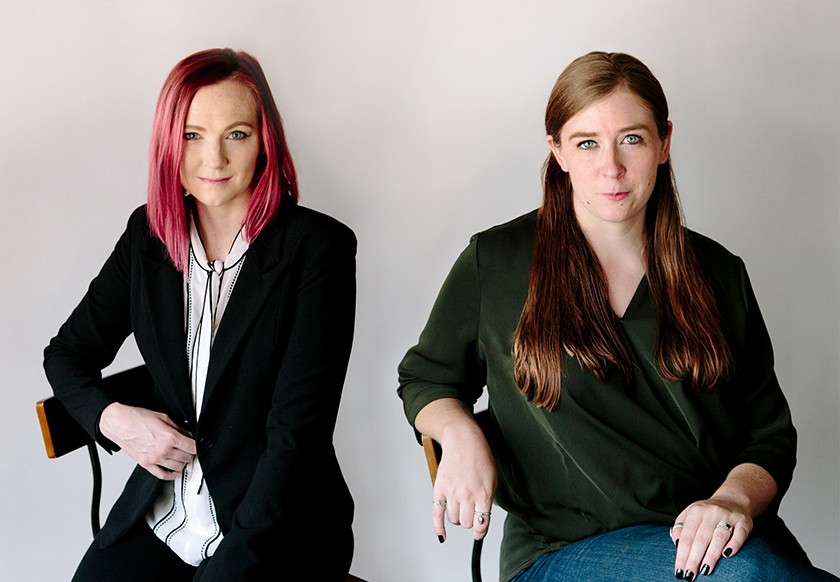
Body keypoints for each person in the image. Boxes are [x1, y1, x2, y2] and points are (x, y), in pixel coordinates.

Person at [398, 51, 837, 582]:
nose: (612, 166)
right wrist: (461, 433)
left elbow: (767, 437)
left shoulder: (719, 273)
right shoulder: (495, 263)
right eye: (587, 143)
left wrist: (732, 501)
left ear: (664, 143)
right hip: (563, 549)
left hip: (712, 541)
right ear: (556, 151)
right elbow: (426, 378)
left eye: (632, 138)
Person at [44, 48, 356, 581]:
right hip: (166, 514)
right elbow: (67, 355)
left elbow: (296, 437)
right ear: (169, 143)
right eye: (192, 135)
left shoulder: (318, 249)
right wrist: (114, 419)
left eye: (236, 134)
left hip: (274, 526)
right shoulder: (147, 237)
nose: (214, 160)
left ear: (265, 141)